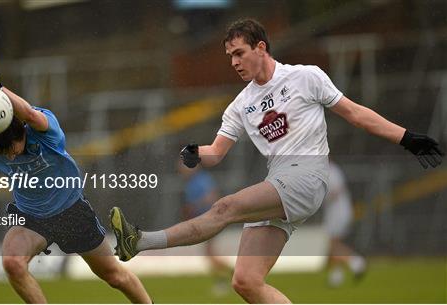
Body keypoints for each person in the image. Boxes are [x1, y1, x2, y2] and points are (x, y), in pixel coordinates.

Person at [109, 18, 444, 304]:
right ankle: (139, 242)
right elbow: (217, 151)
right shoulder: (240, 105)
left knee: (224, 209)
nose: (234, 62)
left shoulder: (306, 77)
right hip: (281, 183)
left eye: (239, 53)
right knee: (245, 281)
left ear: (261, 48)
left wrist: (407, 138)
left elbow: (355, 114)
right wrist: (197, 153)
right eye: (230, 57)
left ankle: (140, 241)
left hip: (308, 176)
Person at [0, 53, 152, 304]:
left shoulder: (44, 131)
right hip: (31, 217)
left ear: (20, 131)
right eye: (3, 152)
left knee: (114, 277)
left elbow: (30, 114)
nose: (9, 156)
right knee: (13, 265)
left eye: (12, 148)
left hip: (72, 213)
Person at [177, 161, 233, 296]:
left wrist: (194, 206)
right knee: (210, 254)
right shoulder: (191, 182)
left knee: (210, 254)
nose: (181, 169)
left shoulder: (201, 179)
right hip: (205, 222)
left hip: (211, 221)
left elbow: (212, 196)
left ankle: (232, 275)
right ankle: (226, 278)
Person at [322, 161, 366, 287]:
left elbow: (336, 191)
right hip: (337, 212)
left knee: (332, 244)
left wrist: (318, 198)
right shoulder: (330, 170)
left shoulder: (331, 171)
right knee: (333, 244)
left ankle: (356, 262)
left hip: (338, 212)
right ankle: (336, 277)